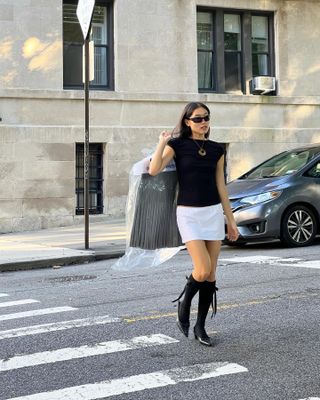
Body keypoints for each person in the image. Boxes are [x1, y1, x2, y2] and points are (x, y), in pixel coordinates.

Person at [149, 102, 239, 347]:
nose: (203, 122)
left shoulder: (217, 149)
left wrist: (230, 220)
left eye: (206, 118)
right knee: (201, 269)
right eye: (198, 118)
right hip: (188, 213)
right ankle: (184, 303)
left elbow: (221, 186)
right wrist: (161, 142)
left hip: (212, 213)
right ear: (187, 121)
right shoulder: (176, 145)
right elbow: (154, 169)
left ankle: (200, 326)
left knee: (210, 274)